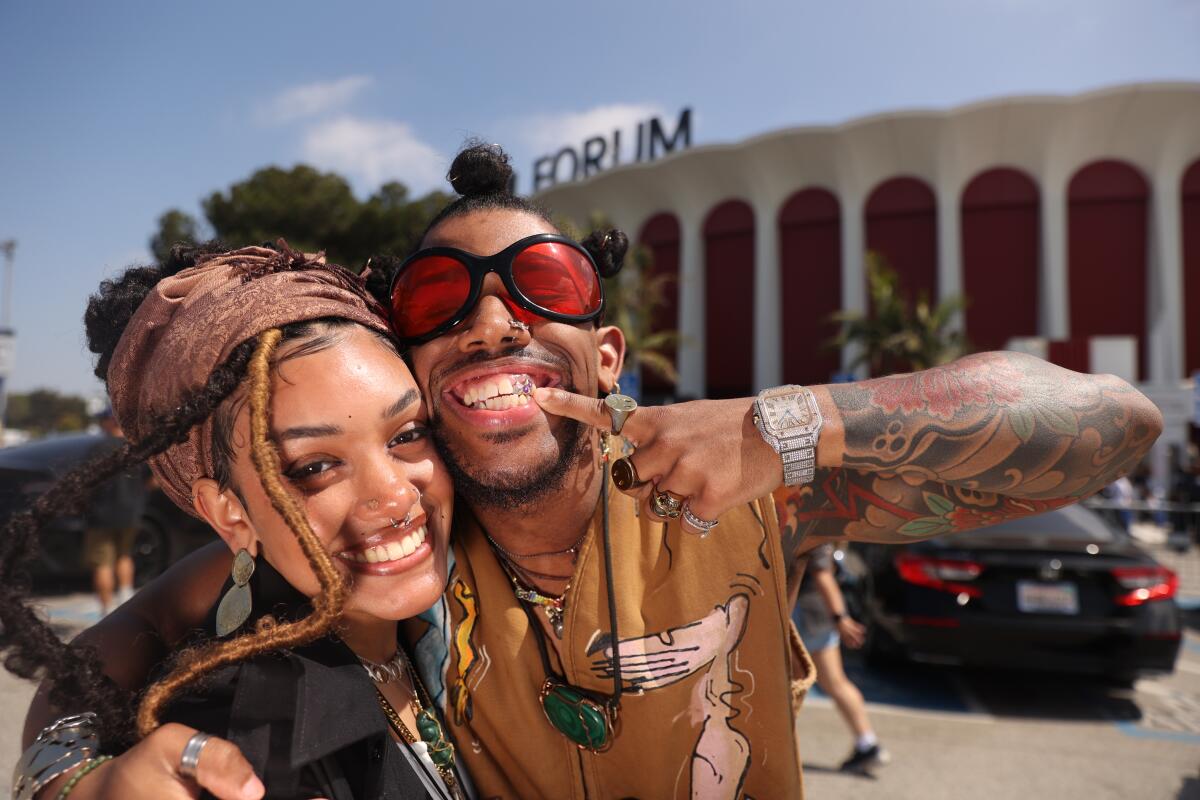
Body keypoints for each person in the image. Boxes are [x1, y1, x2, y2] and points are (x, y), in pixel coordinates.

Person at [21, 144, 1164, 799]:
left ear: (607, 353)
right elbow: (95, 660)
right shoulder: (403, 538)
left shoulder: (750, 493)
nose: (489, 317)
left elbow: (1110, 420)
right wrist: (77, 784)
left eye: (546, 284)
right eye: (439, 299)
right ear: (418, 368)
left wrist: (793, 422)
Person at [4, 244, 469, 799]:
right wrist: (72, 783)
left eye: (407, 433)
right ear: (229, 513)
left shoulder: (467, 580)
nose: (394, 496)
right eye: (314, 467)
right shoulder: (256, 746)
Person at [790, 543, 887, 774]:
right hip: (819, 616)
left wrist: (840, 617)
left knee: (791, 686)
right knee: (835, 682)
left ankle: (778, 749)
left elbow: (822, 574)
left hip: (805, 615)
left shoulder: (813, 530)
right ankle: (868, 743)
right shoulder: (829, 530)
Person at [82, 408, 149, 615]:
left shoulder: (98, 448)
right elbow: (151, 480)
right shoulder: (137, 448)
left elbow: (86, 483)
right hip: (131, 512)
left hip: (102, 514)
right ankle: (126, 597)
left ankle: (107, 609)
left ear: (110, 422)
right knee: (125, 556)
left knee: (102, 563)